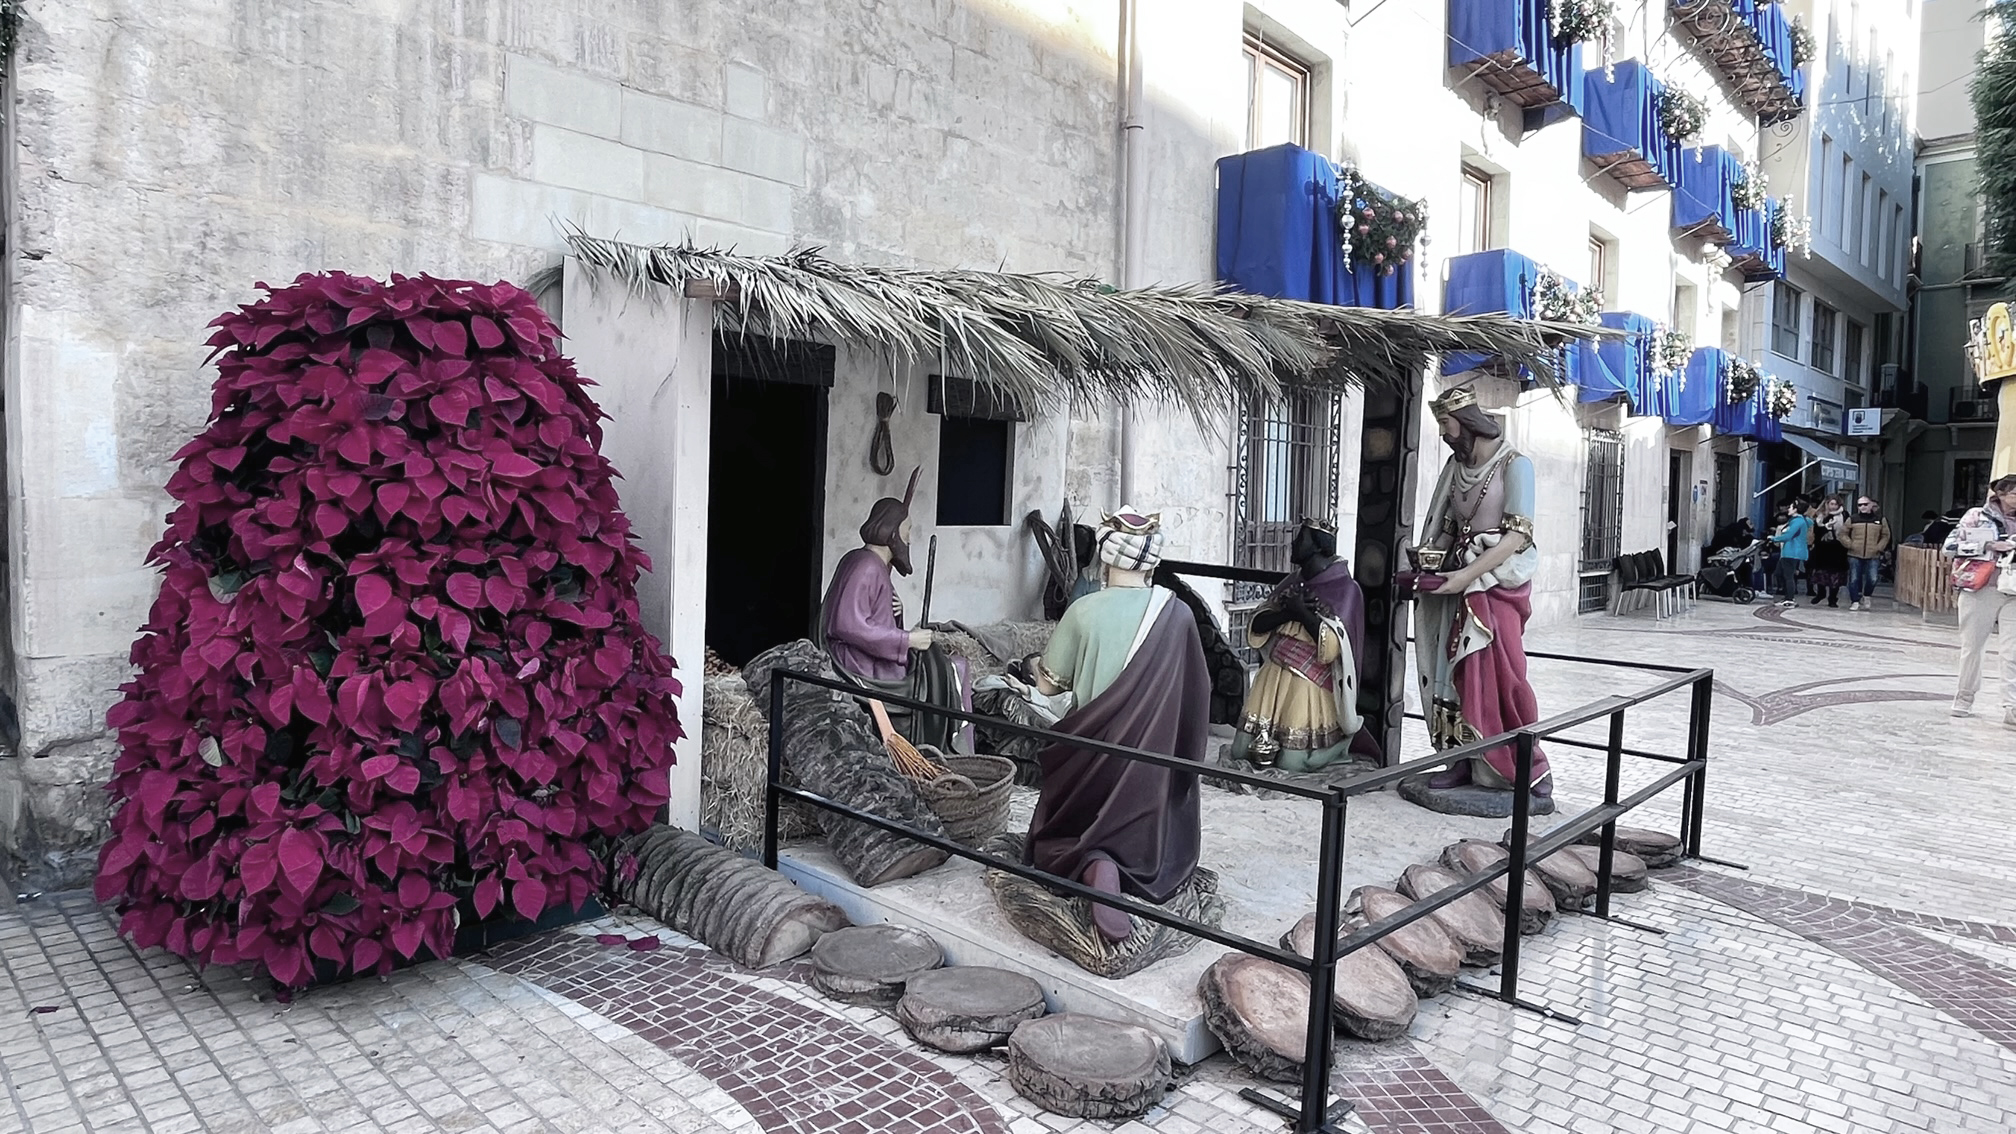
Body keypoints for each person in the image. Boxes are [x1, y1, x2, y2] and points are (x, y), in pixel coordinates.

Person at [1021, 508, 1210, 942]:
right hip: (1150, 765)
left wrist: (1033, 667)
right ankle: (1115, 860)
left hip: (1086, 760)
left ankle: (1091, 857)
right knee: (1149, 797)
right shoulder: (1177, 616)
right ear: (1150, 560)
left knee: (1061, 815)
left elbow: (1049, 687)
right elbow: (1196, 699)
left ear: (1106, 559)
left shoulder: (1083, 611)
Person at [1403, 386, 1550, 798]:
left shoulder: (1516, 466)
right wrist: (1430, 555)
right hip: (1460, 580)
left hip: (1497, 584)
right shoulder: (1456, 466)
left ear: (1467, 424)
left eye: (1447, 426)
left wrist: (1468, 575)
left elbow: (1517, 537)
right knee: (1456, 673)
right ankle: (1462, 760)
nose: (1444, 435)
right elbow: (1449, 524)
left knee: (1503, 675)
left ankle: (1521, 766)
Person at [818, 469, 971, 751]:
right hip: (863, 667)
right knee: (950, 671)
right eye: (908, 530)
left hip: (874, 658)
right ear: (892, 532)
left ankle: (951, 749)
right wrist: (907, 640)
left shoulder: (870, 564)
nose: (910, 538)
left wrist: (896, 613)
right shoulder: (866, 566)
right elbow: (847, 625)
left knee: (942, 665)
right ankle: (953, 751)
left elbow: (872, 615)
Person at [1231, 519, 1367, 773]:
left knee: (1290, 763)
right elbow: (1258, 625)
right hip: (1272, 678)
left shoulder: (1345, 589)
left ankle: (1337, 747)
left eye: (1300, 539)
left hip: (1309, 685)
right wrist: (1289, 612)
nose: (1293, 543)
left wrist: (1303, 614)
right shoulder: (1291, 583)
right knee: (1241, 752)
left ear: (1317, 546)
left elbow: (1334, 648)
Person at [1944, 474, 2016, 728]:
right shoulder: (1976, 516)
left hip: (2015, 591)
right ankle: (1964, 697)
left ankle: (2012, 706)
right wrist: (1992, 545)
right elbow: (1950, 546)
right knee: (1972, 647)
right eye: (2015, 493)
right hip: (1981, 587)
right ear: (2002, 494)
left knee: (2012, 651)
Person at [1840, 495, 1892, 611]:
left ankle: (1867, 595)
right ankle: (1854, 600)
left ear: (1871, 505)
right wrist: (1850, 544)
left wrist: (1879, 547)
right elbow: (1843, 534)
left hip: (1873, 553)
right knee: (1854, 578)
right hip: (1854, 553)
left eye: (1865, 504)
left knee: (1873, 578)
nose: (1862, 507)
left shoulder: (1880, 519)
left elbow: (1886, 535)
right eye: (1860, 505)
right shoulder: (1853, 519)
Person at [1768, 498, 1813, 606]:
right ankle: (1787, 596)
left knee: (1788, 576)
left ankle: (1790, 598)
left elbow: (1788, 535)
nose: (1789, 509)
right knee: (1779, 573)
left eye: (1791, 507)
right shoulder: (1800, 520)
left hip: (1792, 552)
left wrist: (1774, 538)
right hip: (1788, 551)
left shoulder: (1798, 522)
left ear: (1796, 509)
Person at [1807, 494, 1850, 607]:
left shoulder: (1844, 515)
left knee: (1835, 575)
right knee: (1821, 573)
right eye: (1831, 504)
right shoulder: (1821, 516)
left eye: (1836, 504)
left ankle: (1832, 598)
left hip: (1838, 548)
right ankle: (1821, 593)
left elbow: (1847, 530)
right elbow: (1816, 532)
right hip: (1823, 549)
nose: (1833, 507)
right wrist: (1826, 526)